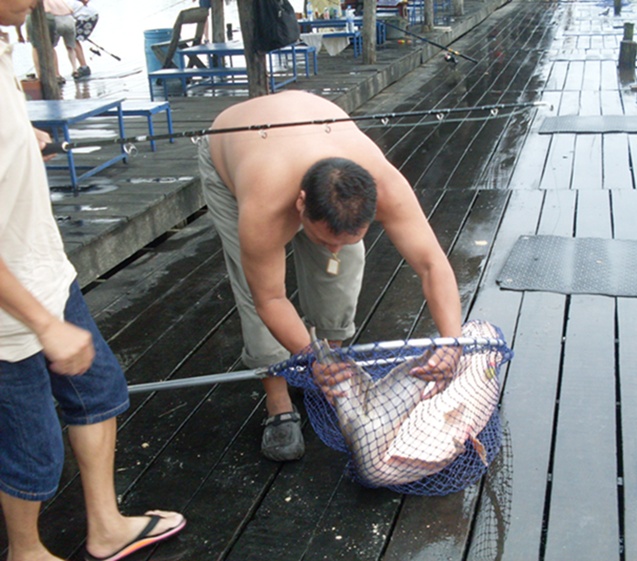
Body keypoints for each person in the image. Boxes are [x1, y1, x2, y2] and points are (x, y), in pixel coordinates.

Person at [0, 2, 186, 560]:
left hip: (44, 270)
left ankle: (105, 526)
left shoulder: (4, 44)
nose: (36, 2)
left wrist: (21, 132)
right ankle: (26, 551)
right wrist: (41, 324)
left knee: (99, 391)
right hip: (11, 316)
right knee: (32, 451)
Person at [197, 90, 463, 462]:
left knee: (343, 265)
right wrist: (306, 354)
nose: (332, 248)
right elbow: (268, 298)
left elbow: (433, 264)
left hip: (312, 133)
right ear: (301, 204)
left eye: (351, 236)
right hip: (234, 146)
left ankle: (330, 369)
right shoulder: (265, 207)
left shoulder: (386, 186)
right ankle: (278, 403)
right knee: (251, 282)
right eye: (325, 238)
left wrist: (452, 341)